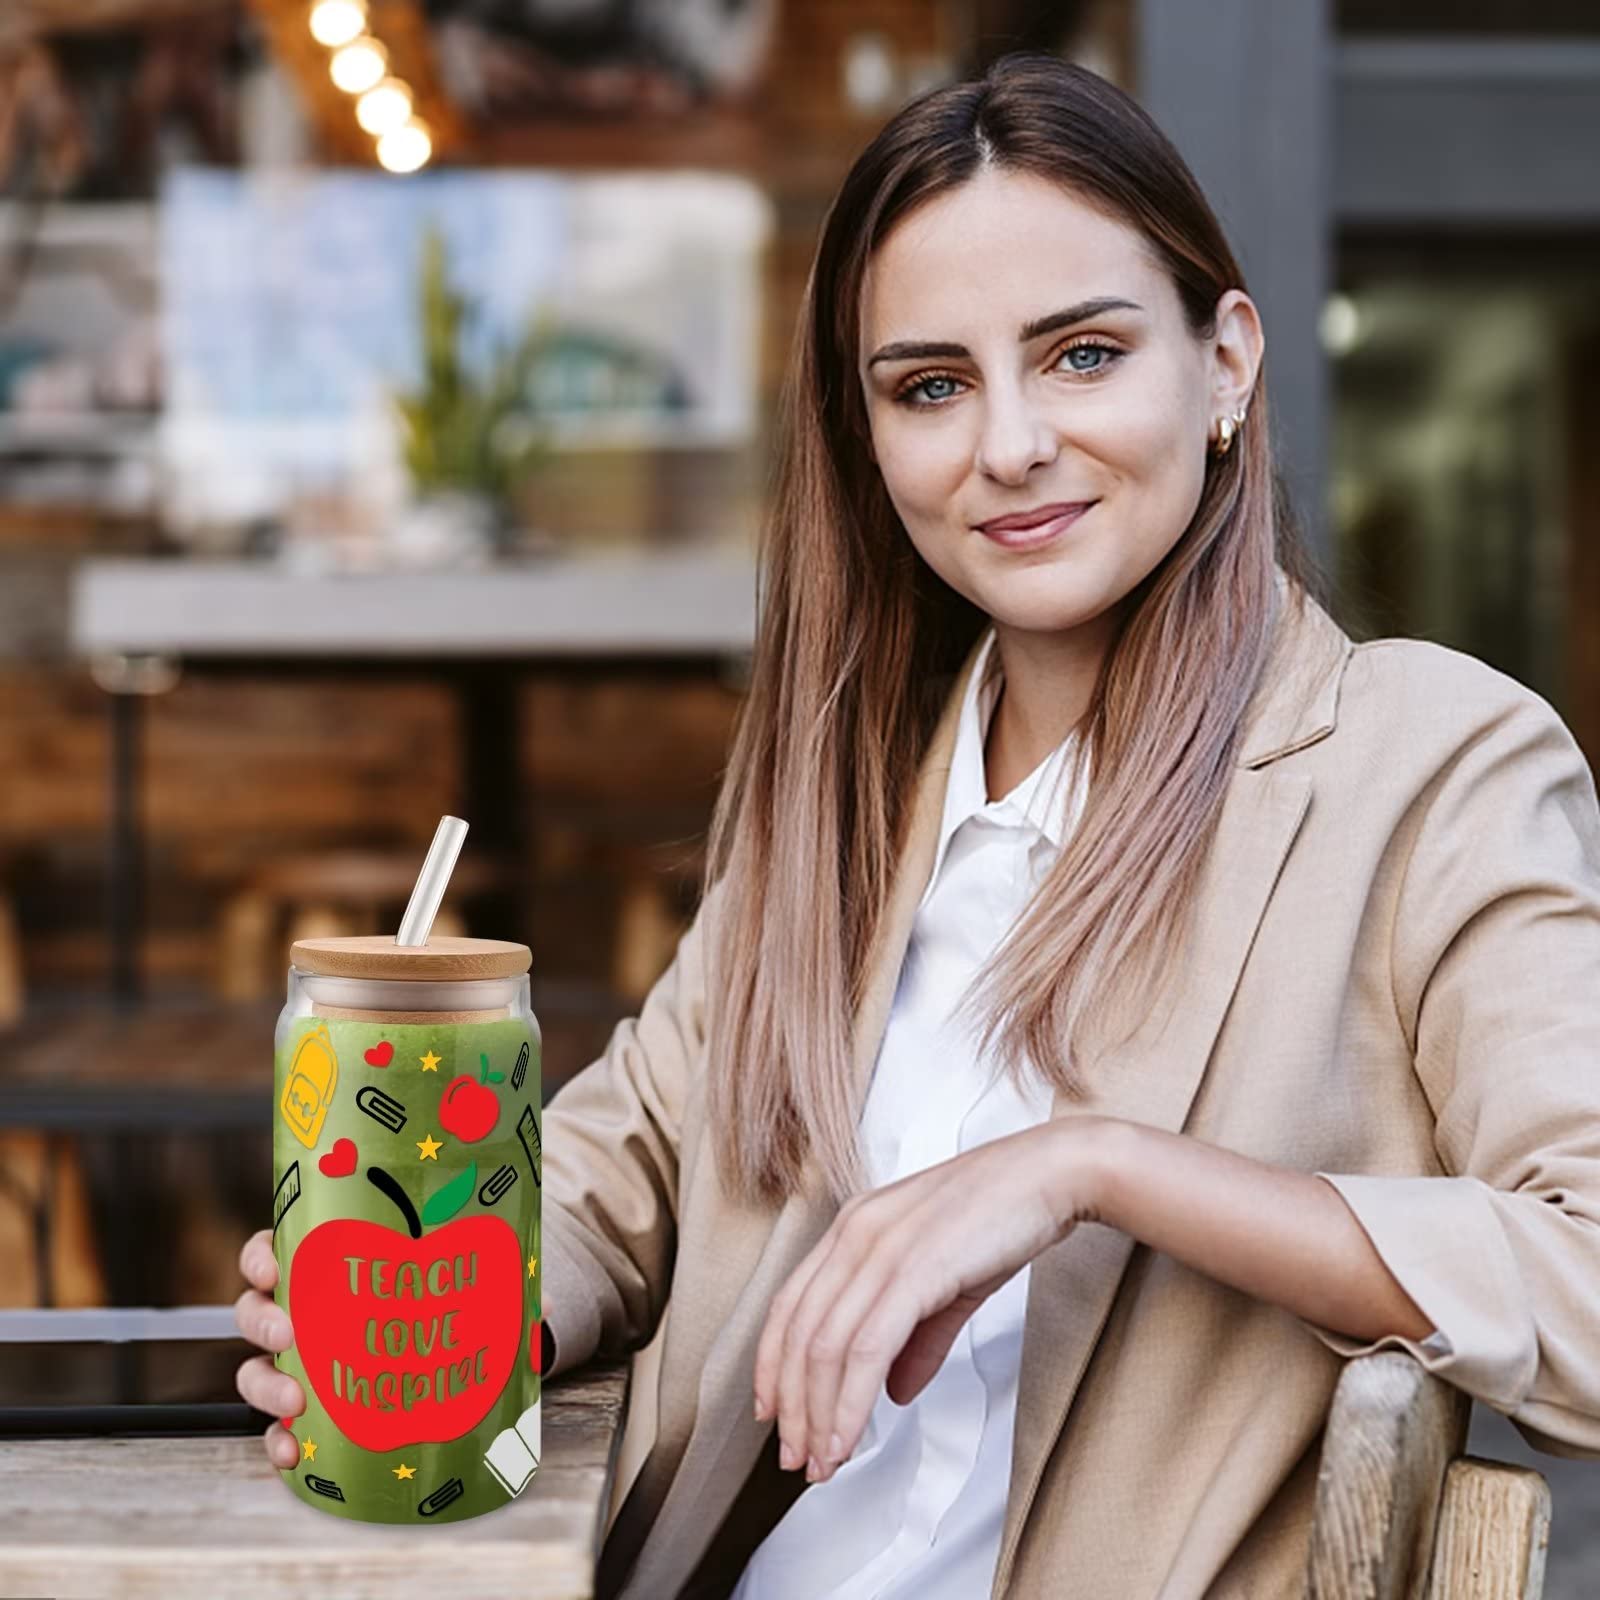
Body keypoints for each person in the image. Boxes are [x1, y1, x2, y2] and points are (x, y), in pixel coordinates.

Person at [234, 51, 1600, 1599]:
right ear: (871, 439)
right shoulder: (855, 804)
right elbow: (623, 1170)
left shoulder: (1434, 767)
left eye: (1082, 355)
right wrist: (460, 1308)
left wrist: (1091, 1168)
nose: (1007, 445)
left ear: (1226, 364)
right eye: (931, 386)